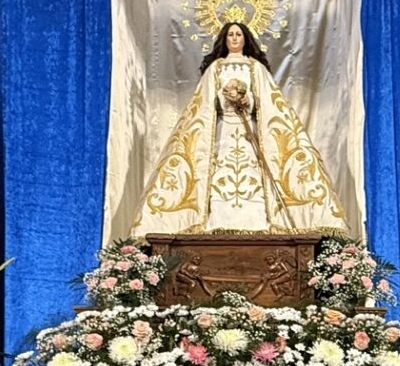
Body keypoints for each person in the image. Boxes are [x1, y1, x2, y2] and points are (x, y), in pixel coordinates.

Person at [133, 21, 345, 234]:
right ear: (224, 40)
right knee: (219, 171)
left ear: (245, 39)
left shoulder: (256, 68)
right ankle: (217, 222)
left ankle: (257, 223)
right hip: (223, 130)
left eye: (238, 35)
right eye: (230, 35)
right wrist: (224, 96)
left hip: (249, 131)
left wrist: (247, 99)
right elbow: (204, 103)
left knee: (253, 171)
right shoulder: (215, 68)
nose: (234, 38)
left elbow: (267, 101)